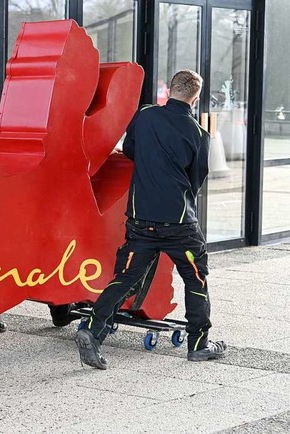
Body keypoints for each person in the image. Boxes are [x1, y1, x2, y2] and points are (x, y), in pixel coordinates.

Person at [75, 70, 226, 370]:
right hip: (179, 224)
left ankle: (91, 331)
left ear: (170, 90)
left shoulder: (145, 116)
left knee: (125, 278)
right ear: (195, 98)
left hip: (141, 221)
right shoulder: (199, 134)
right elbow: (196, 181)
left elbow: (130, 150)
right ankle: (198, 345)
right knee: (195, 279)